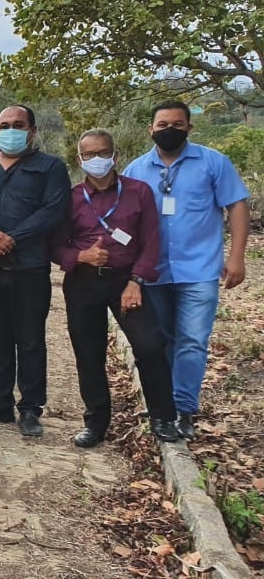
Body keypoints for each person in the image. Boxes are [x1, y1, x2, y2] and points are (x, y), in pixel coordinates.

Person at [123, 100, 249, 440]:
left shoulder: (213, 163)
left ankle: (184, 408)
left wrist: (237, 257)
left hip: (199, 269)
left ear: (189, 128)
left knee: (192, 340)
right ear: (151, 129)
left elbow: (237, 206)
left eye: (177, 124)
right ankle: (163, 407)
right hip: (153, 272)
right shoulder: (135, 170)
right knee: (160, 341)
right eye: (162, 125)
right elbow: (125, 219)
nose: (170, 130)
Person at [52, 128, 179, 446]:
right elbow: (54, 246)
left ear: (115, 155)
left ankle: (163, 418)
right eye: (89, 154)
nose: (96, 159)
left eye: (102, 152)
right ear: (79, 160)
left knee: (150, 346)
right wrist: (81, 256)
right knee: (88, 353)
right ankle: (96, 422)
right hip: (83, 282)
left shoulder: (139, 192)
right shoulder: (70, 198)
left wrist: (137, 280)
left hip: (126, 280)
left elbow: (151, 241)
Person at [0, 105, 70, 437]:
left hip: (29, 268)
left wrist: (10, 240)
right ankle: (0, 403)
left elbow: (52, 211)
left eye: (18, 125)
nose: (10, 131)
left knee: (30, 339)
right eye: (4, 125)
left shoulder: (50, 168)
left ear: (32, 131)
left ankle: (30, 408)